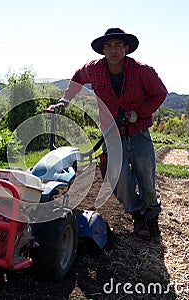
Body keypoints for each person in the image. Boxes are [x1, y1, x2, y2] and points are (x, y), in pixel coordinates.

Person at [49, 28, 168, 243]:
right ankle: (138, 215)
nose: (113, 50)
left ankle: (152, 219)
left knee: (146, 178)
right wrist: (65, 100)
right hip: (112, 134)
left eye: (117, 45)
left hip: (138, 131)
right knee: (119, 180)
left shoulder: (142, 71)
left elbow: (160, 93)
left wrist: (138, 113)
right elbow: (77, 78)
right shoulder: (94, 70)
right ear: (103, 50)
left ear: (126, 48)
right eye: (108, 46)